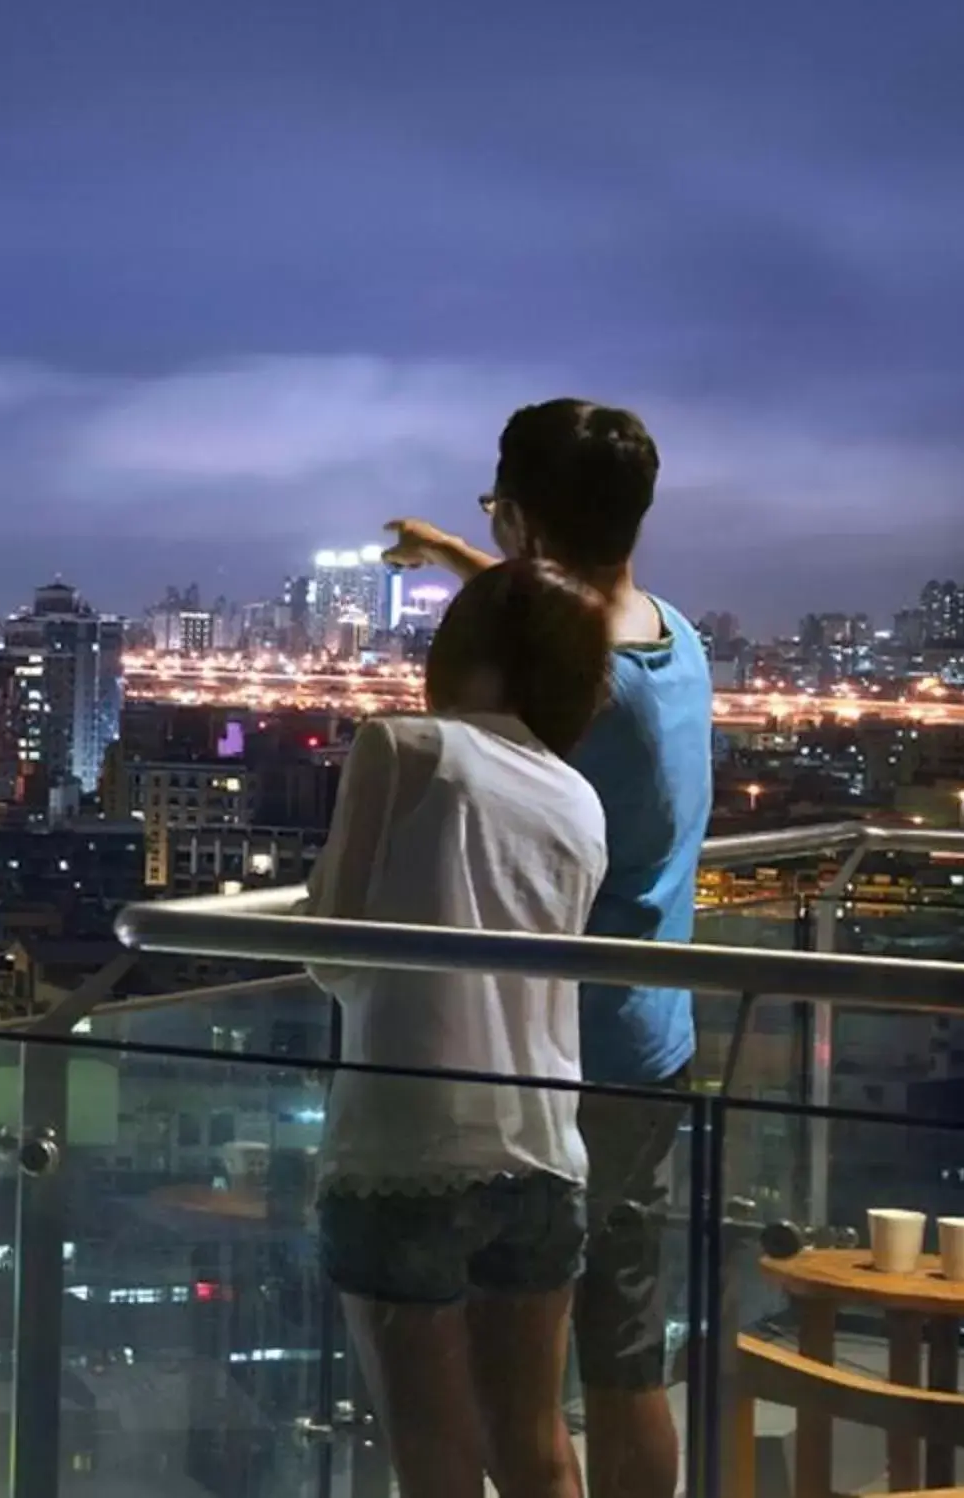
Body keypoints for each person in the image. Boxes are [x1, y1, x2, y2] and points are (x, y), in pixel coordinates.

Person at [385, 399, 713, 1498]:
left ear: (522, 517)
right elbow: (572, 617)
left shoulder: (573, 693)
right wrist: (462, 557)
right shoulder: (674, 638)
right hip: (651, 1043)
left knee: (513, 1387)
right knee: (625, 1356)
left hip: (551, 1064)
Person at [311, 558, 616, 1498]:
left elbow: (332, 949)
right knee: (533, 1445)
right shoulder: (577, 796)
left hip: (404, 1146)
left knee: (431, 1457)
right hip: (543, 1149)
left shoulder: (404, 748)